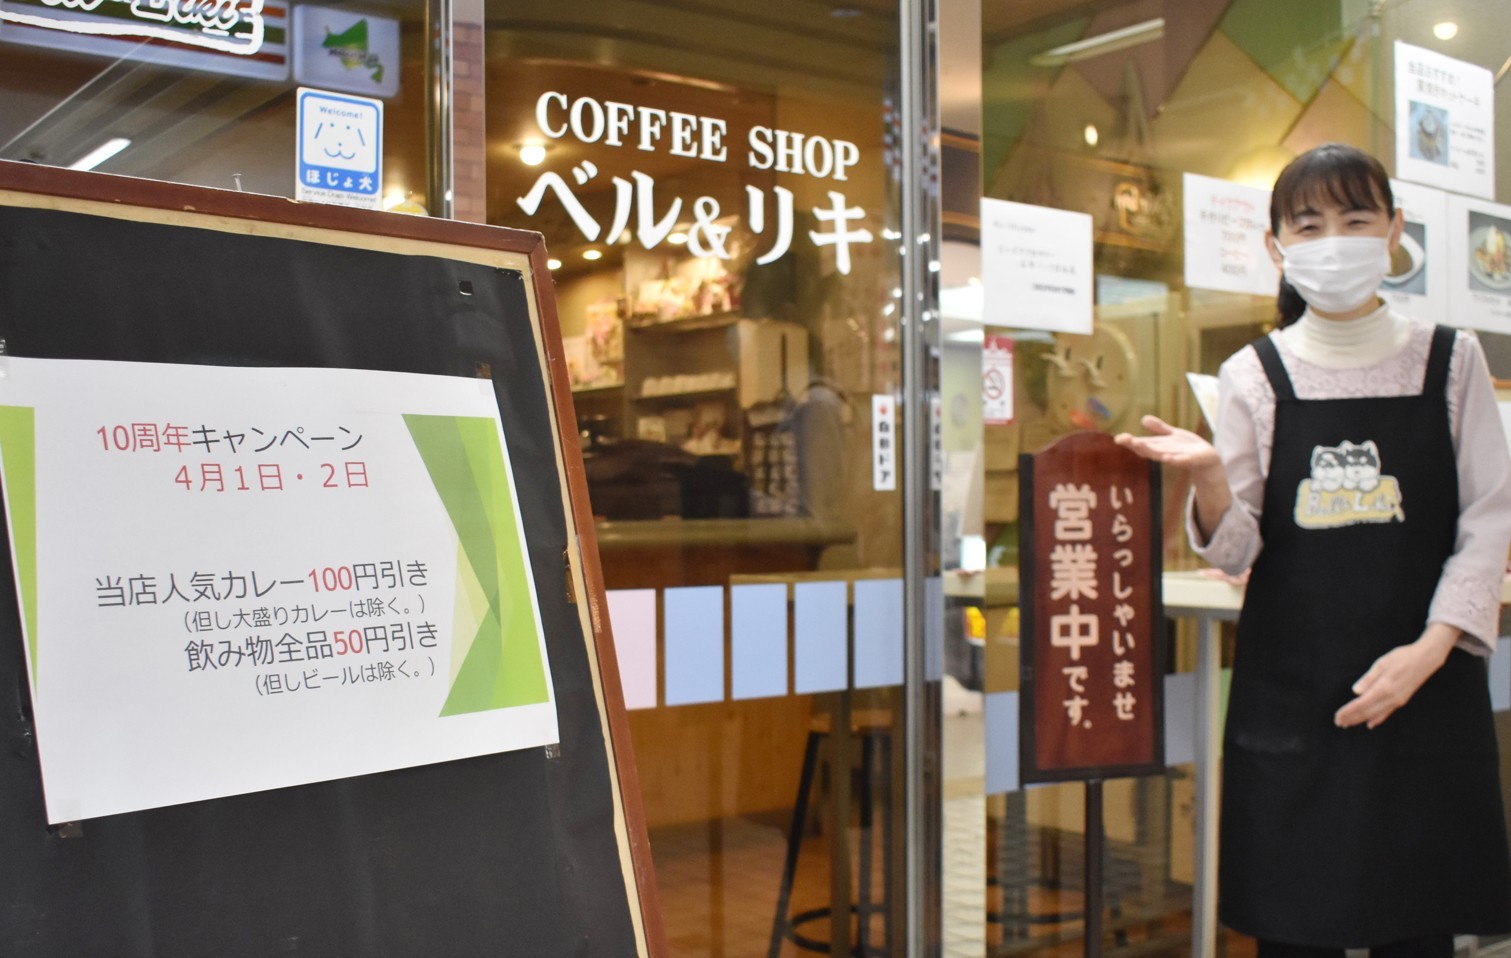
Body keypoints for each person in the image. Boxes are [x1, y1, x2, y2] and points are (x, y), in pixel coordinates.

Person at [1116, 143, 1511, 958]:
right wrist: (1208, 478)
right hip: (1293, 703)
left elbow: (1489, 517)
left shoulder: (1451, 359)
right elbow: (1237, 550)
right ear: (1276, 246)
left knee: (1417, 928)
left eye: (1355, 219)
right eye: (1308, 224)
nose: (1333, 241)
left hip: (1426, 693)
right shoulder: (1251, 374)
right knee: (1294, 930)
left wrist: (1429, 651)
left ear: (1393, 231)